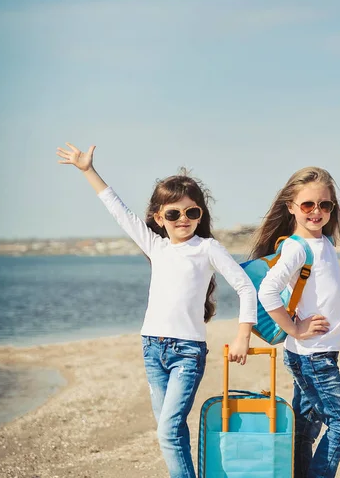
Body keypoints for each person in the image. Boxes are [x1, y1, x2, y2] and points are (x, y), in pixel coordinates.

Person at [56, 142, 257, 478]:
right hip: (151, 349)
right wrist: (88, 170)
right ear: (158, 217)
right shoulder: (155, 246)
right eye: (173, 213)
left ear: (200, 214)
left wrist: (242, 336)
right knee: (172, 433)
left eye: (191, 212)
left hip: (187, 353)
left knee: (167, 431)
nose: (183, 219)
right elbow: (118, 210)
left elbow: (245, 287)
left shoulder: (208, 248)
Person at [253, 119, 340, 478]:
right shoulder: (298, 249)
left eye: (325, 205)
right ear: (292, 207)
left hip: (316, 355)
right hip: (313, 357)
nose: (318, 211)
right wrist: (294, 329)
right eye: (309, 204)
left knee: (305, 429)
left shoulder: (324, 238)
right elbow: (267, 291)